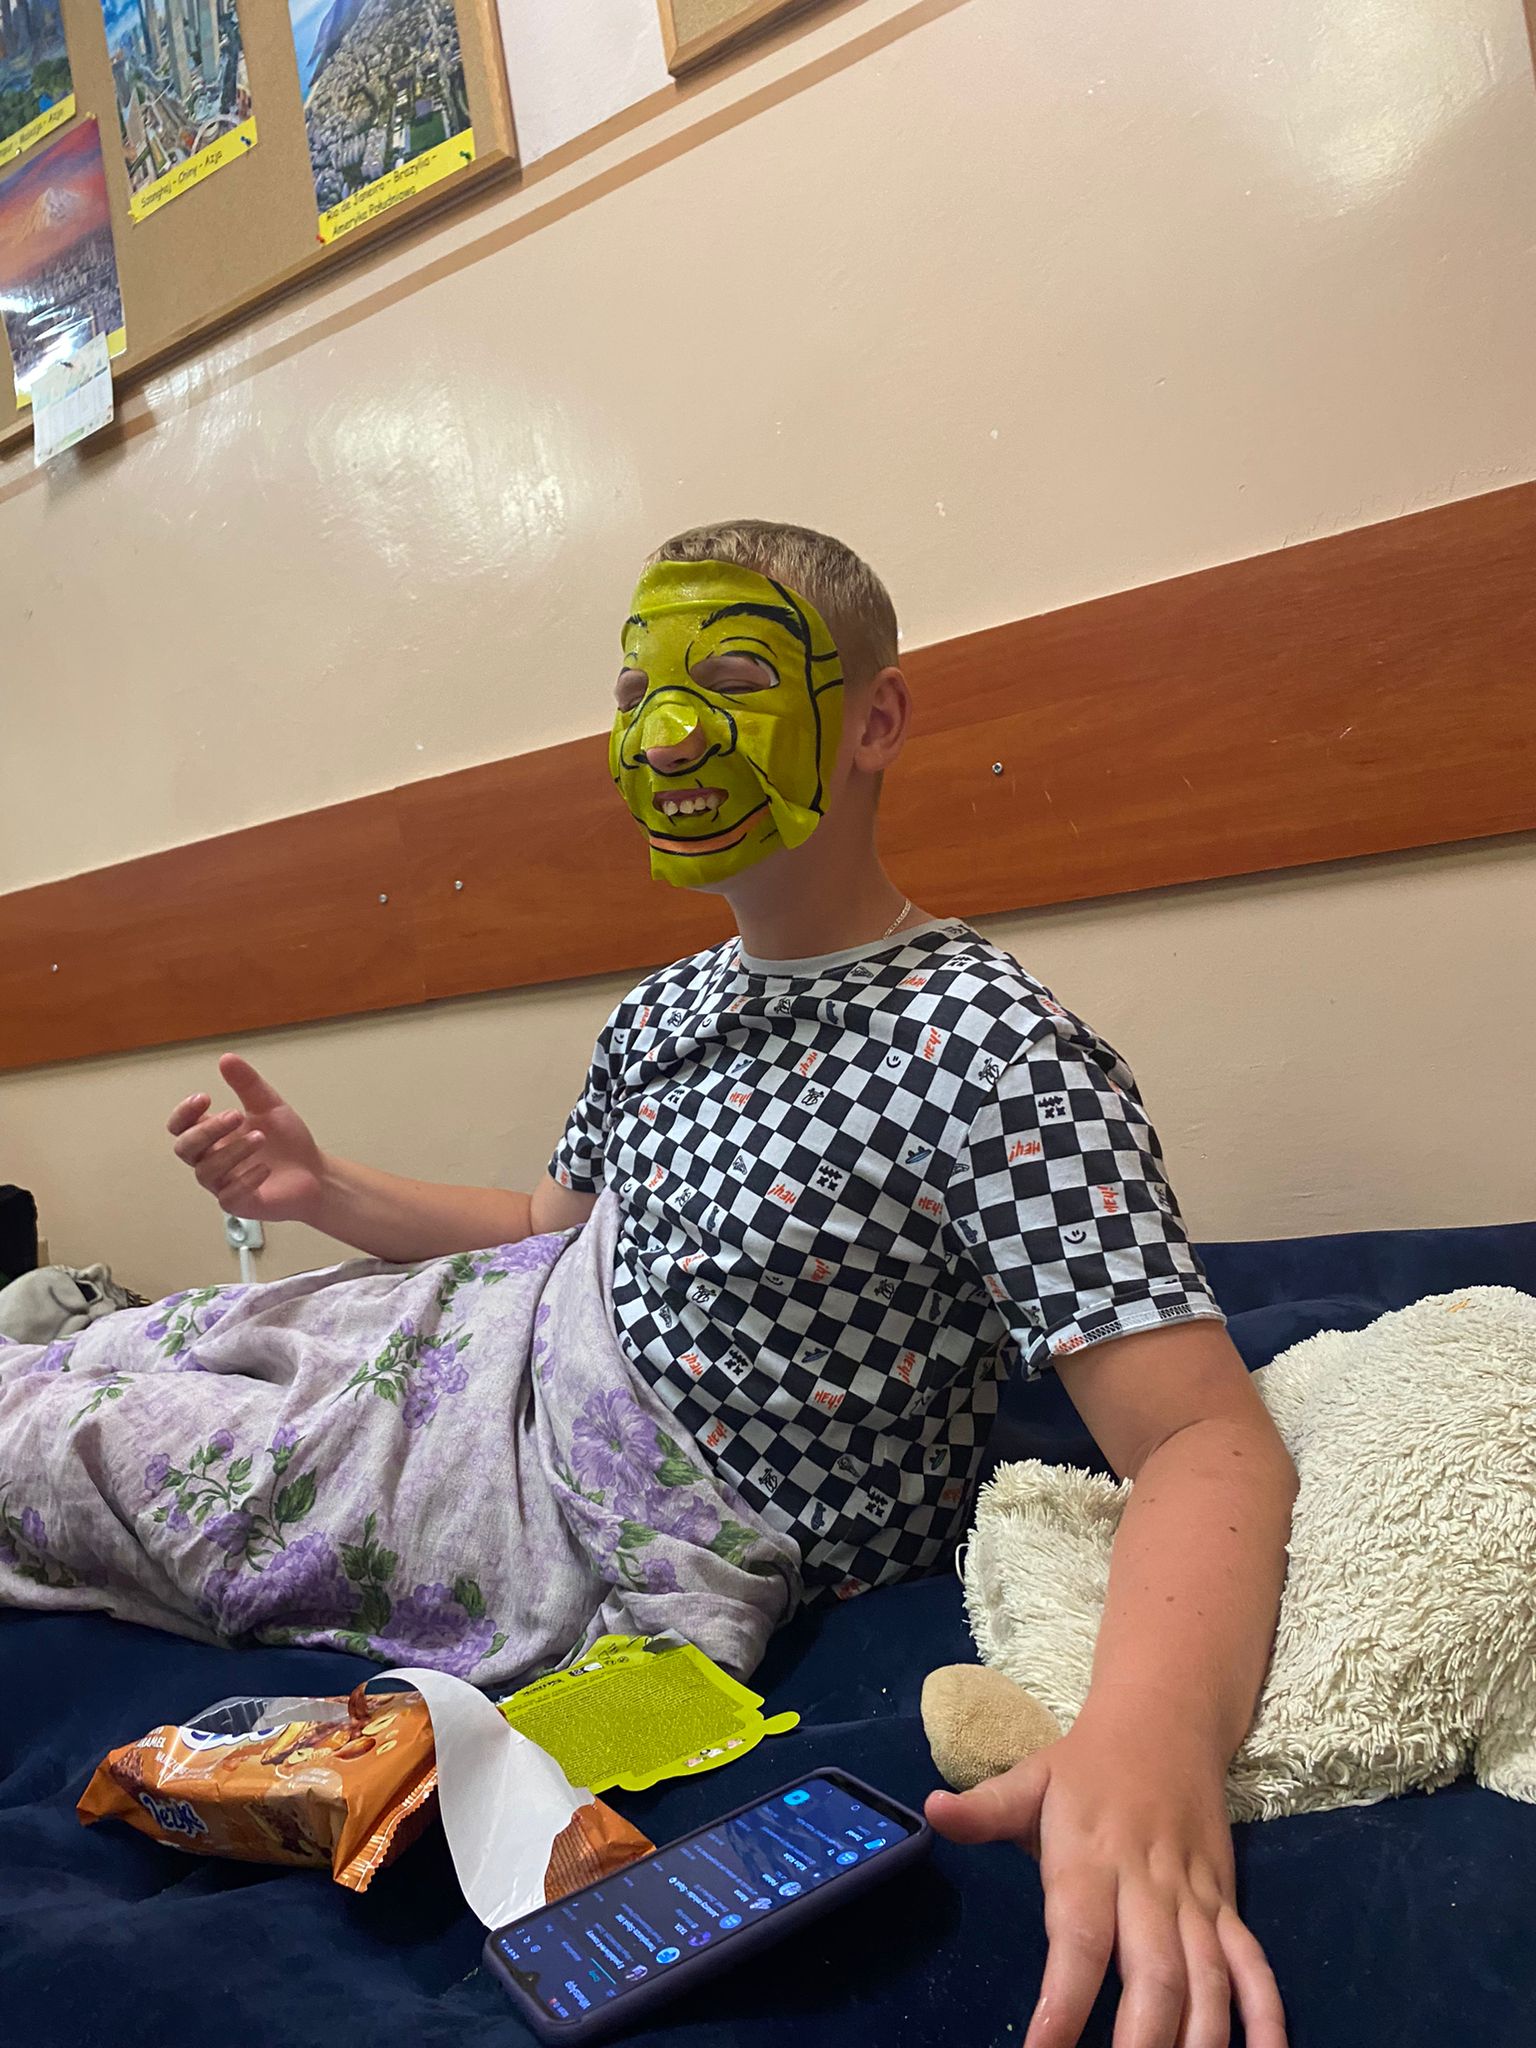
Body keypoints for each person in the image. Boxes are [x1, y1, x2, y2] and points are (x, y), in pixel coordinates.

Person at [168, 520, 1294, 2048]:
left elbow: (1206, 1439)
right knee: (147, 1345)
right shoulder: (659, 1014)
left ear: (876, 719)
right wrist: (328, 1194)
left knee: (83, 1457)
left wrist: (1147, 1748)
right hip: (491, 1344)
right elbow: (551, 1229)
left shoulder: (987, 1048)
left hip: (636, 1482)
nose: (668, 736)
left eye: (737, 679)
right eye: (638, 694)